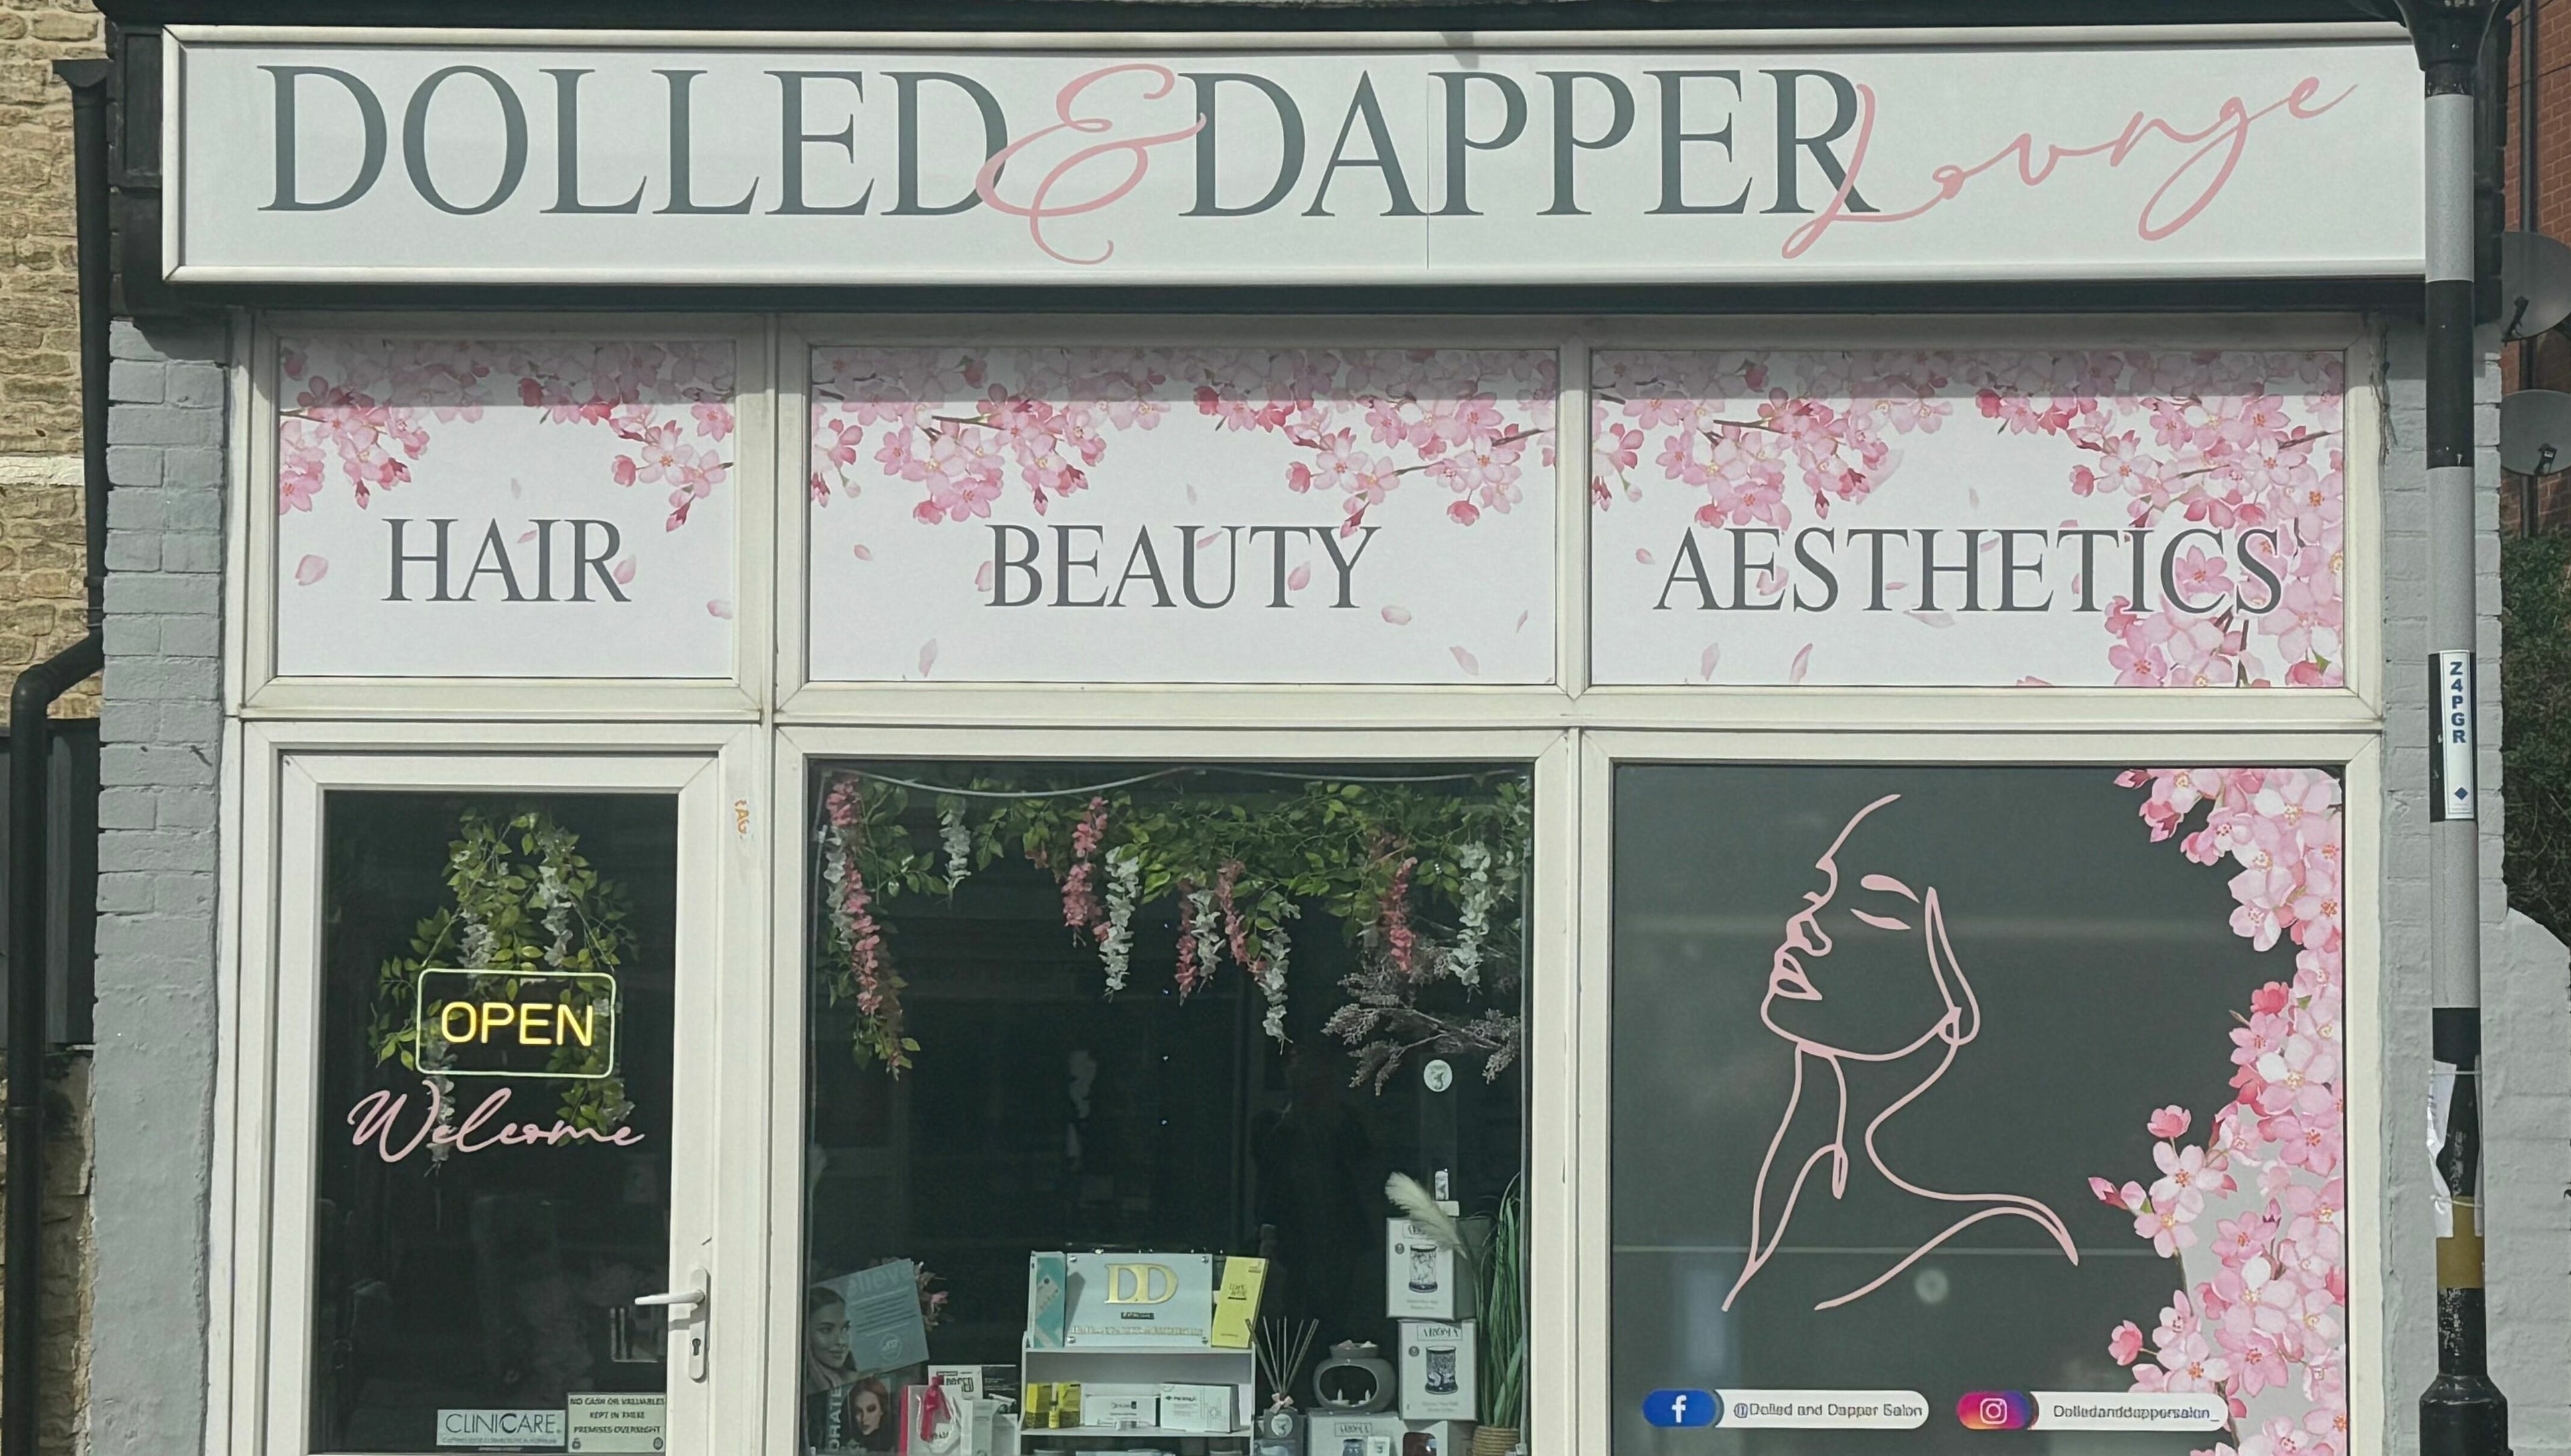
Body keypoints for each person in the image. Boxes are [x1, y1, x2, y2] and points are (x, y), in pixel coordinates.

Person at [1721, 793, 2078, 1313]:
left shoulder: (2001, 1239)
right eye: (1820, 892)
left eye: (1876, 909)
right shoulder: (1797, 1188)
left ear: (1962, 987)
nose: (1810, 924)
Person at [804, 1287, 858, 1449]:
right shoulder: (791, 1387)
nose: (841, 1341)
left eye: (845, 1329)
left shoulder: (863, 1384)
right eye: (826, 1330)